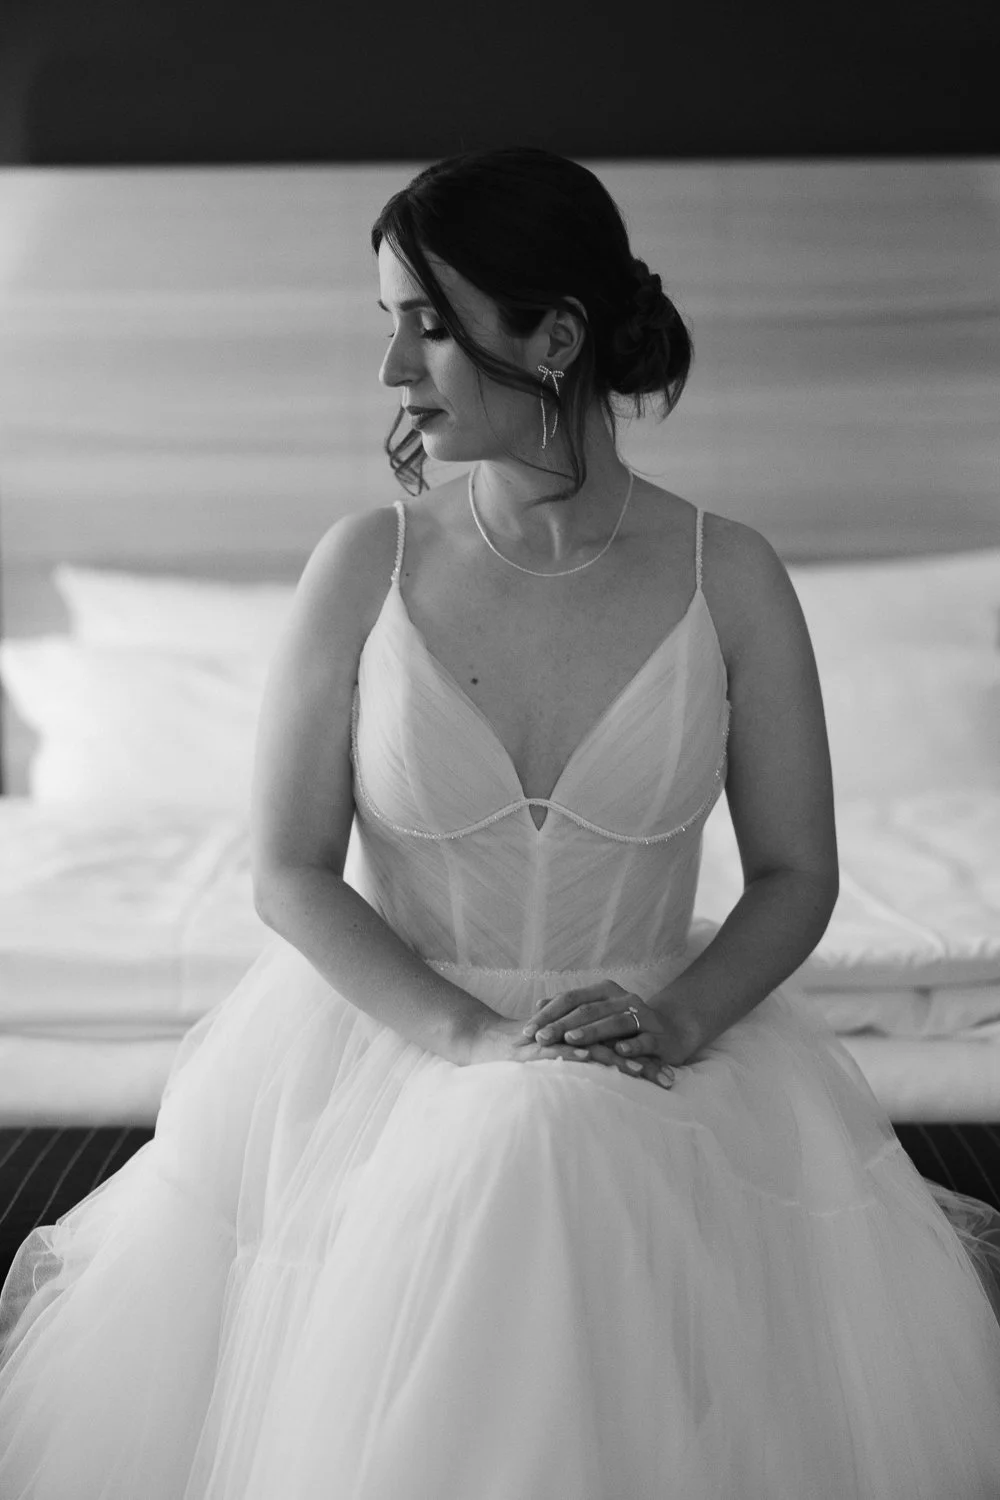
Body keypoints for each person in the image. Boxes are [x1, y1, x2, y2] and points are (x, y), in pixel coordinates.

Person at [1, 144, 999, 1499]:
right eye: (388, 323)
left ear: (557, 335)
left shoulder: (732, 577)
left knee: (554, 1136)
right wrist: (474, 1042)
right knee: (526, 1133)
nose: (391, 369)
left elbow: (796, 872)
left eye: (427, 324)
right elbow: (289, 872)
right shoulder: (365, 565)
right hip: (397, 1037)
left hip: (655, 1038)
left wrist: (679, 1020)